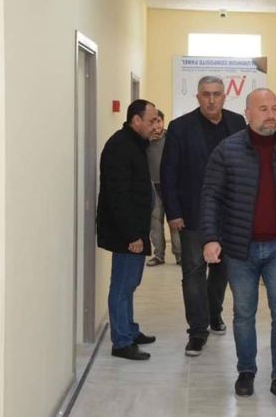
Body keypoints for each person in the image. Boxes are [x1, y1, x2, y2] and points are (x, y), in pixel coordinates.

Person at [201, 88, 276, 408]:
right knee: (244, 313)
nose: (271, 115)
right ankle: (246, 370)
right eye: (264, 108)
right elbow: (211, 197)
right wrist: (210, 238)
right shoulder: (227, 150)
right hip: (240, 249)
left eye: (275, 108)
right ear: (248, 114)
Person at [161, 76, 247, 356]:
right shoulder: (180, 127)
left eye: (216, 94)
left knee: (222, 269)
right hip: (192, 213)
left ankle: (213, 313)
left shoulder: (237, 123)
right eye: (206, 94)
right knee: (194, 271)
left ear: (224, 96)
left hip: (230, 214)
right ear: (197, 97)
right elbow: (168, 172)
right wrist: (173, 212)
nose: (211, 100)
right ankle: (197, 332)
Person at [96, 99, 158, 360]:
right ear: (136, 120)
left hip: (135, 230)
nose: (156, 126)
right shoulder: (120, 147)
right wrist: (132, 235)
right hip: (126, 233)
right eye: (152, 121)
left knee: (130, 283)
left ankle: (130, 330)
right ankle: (121, 342)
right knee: (122, 286)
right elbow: (119, 195)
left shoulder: (135, 144)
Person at [146, 109, 181, 266]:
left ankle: (180, 255)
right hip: (153, 186)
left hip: (171, 186)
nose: (157, 126)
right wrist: (147, 141)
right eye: (153, 122)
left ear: (163, 122)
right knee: (155, 223)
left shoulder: (171, 138)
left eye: (159, 121)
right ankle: (159, 255)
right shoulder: (144, 141)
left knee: (175, 222)